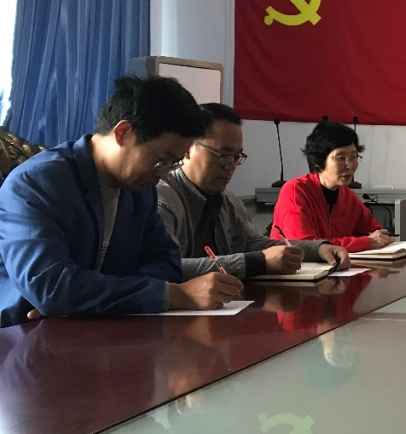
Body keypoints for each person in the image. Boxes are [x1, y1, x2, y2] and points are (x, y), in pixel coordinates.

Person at [0, 76, 243, 328]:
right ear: (123, 133)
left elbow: (168, 262)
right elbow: (51, 286)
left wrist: (82, 299)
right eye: (162, 159)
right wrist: (173, 295)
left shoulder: (140, 190)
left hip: (98, 331)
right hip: (21, 334)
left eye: (173, 163)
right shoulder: (36, 184)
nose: (164, 174)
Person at [157, 103, 350, 280]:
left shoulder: (228, 200)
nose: (231, 166)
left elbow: (254, 244)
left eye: (237, 157)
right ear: (188, 149)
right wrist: (256, 262)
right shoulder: (161, 197)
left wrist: (318, 249)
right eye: (224, 155)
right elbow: (164, 267)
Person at [270, 121, 393, 252]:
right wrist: (365, 242)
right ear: (318, 161)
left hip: (338, 263)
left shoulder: (348, 196)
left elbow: (376, 233)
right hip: (298, 264)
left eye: (353, 156)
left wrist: (382, 238)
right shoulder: (295, 191)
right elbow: (306, 245)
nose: (350, 165)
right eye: (341, 158)